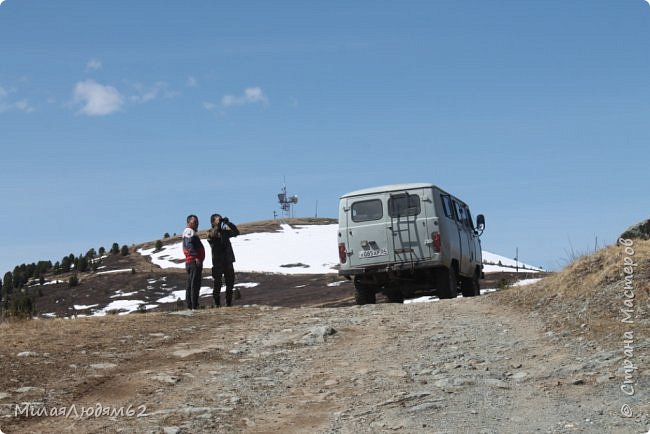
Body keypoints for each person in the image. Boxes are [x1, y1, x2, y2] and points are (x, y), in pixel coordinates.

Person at [207, 213, 240, 307]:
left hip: (228, 260)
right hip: (218, 262)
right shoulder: (209, 232)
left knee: (230, 283)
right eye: (218, 219)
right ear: (213, 222)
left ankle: (228, 303)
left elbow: (236, 232)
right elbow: (212, 236)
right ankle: (217, 304)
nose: (220, 220)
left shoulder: (225, 232)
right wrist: (217, 226)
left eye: (220, 218)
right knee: (217, 283)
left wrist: (228, 223)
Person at [182, 214, 205, 310]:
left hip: (192, 261)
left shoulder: (191, 232)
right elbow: (189, 245)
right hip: (193, 262)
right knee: (194, 284)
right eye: (194, 222)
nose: (197, 224)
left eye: (197, 222)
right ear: (188, 223)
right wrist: (196, 257)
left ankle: (190, 305)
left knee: (191, 283)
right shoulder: (189, 231)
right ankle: (193, 306)